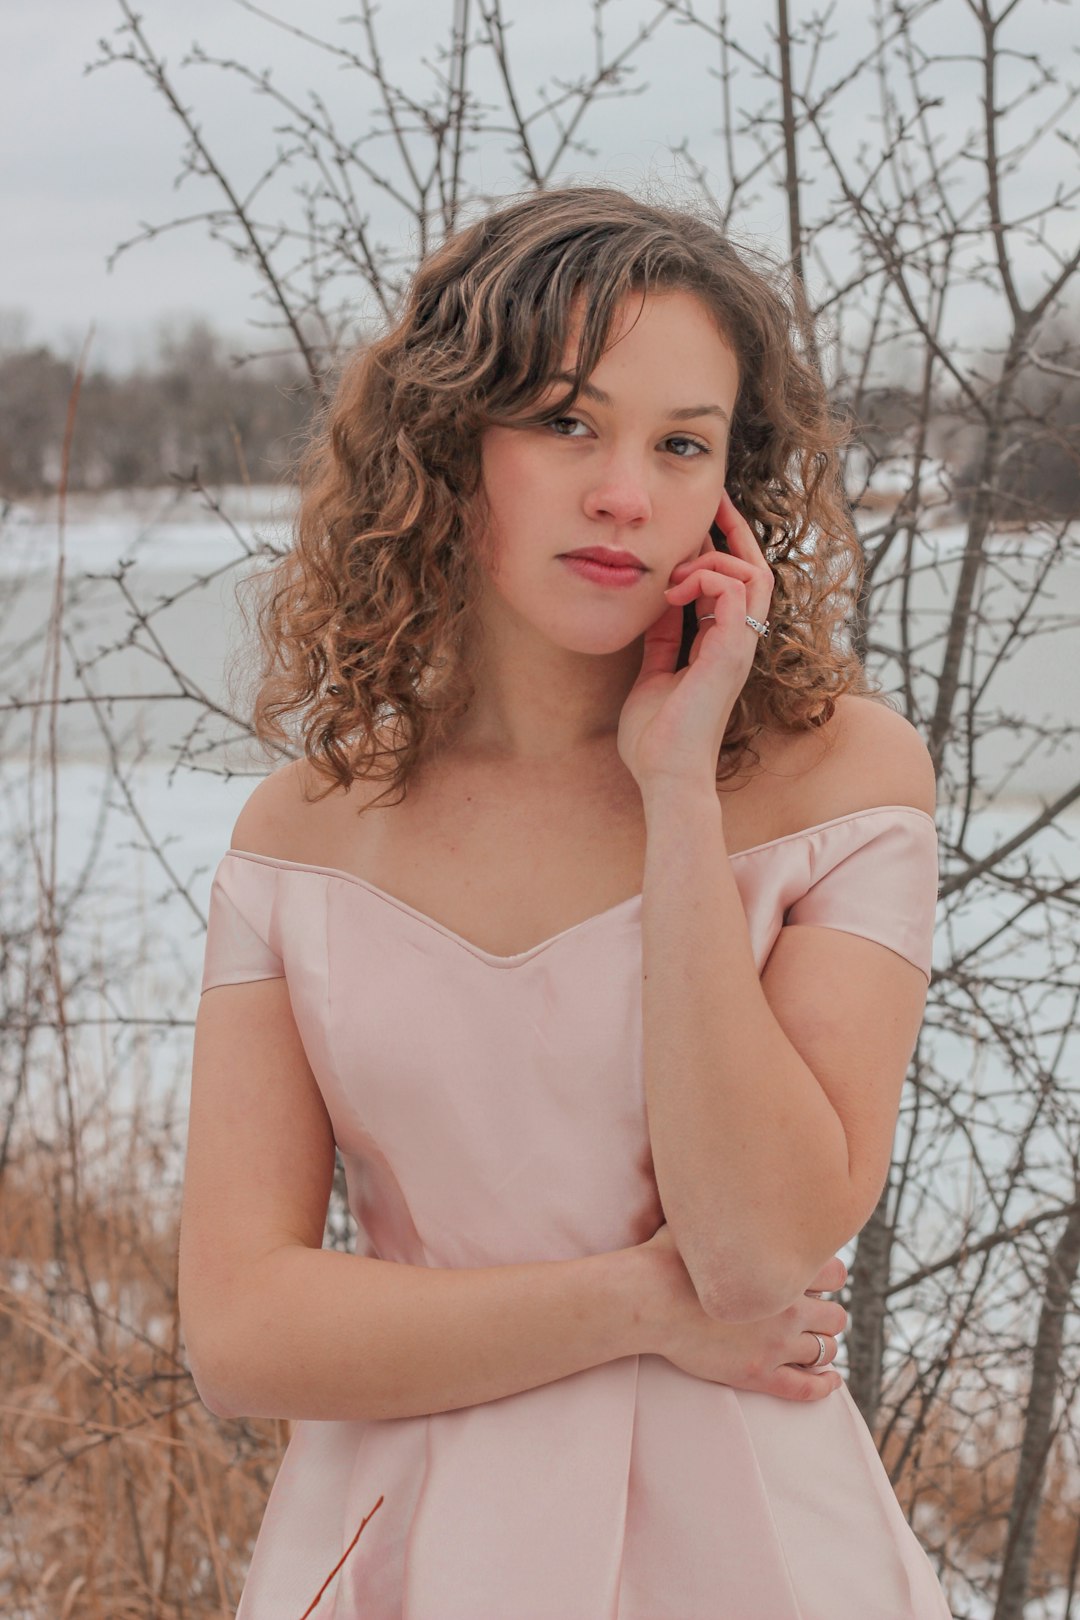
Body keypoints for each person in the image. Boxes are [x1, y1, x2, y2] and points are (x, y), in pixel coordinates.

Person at [181, 184, 953, 1618]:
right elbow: (241, 1330)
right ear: (447, 444)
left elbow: (760, 1246)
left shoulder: (838, 777)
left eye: (681, 446)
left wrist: (676, 794)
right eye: (564, 422)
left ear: (733, 488)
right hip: (397, 1548)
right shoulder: (304, 835)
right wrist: (640, 1309)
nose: (624, 496)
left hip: (750, 1556)